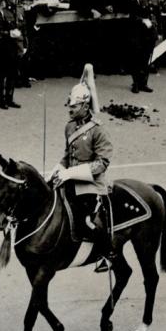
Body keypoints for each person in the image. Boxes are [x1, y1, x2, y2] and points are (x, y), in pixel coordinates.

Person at [49, 72, 114, 271]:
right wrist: (57, 170)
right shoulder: (69, 127)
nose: (70, 109)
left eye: (74, 106)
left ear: (85, 107)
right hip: (70, 178)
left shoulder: (98, 131)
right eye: (70, 105)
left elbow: (102, 163)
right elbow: (67, 154)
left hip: (91, 183)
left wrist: (72, 173)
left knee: (89, 221)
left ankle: (106, 254)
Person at [0, 0, 29, 110]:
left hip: (16, 47)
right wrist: (9, 34)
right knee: (1, 74)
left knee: (13, 74)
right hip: (4, 47)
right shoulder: (1, 12)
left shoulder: (20, 10)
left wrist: (25, 44)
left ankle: (10, 98)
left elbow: (24, 29)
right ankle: (1, 99)